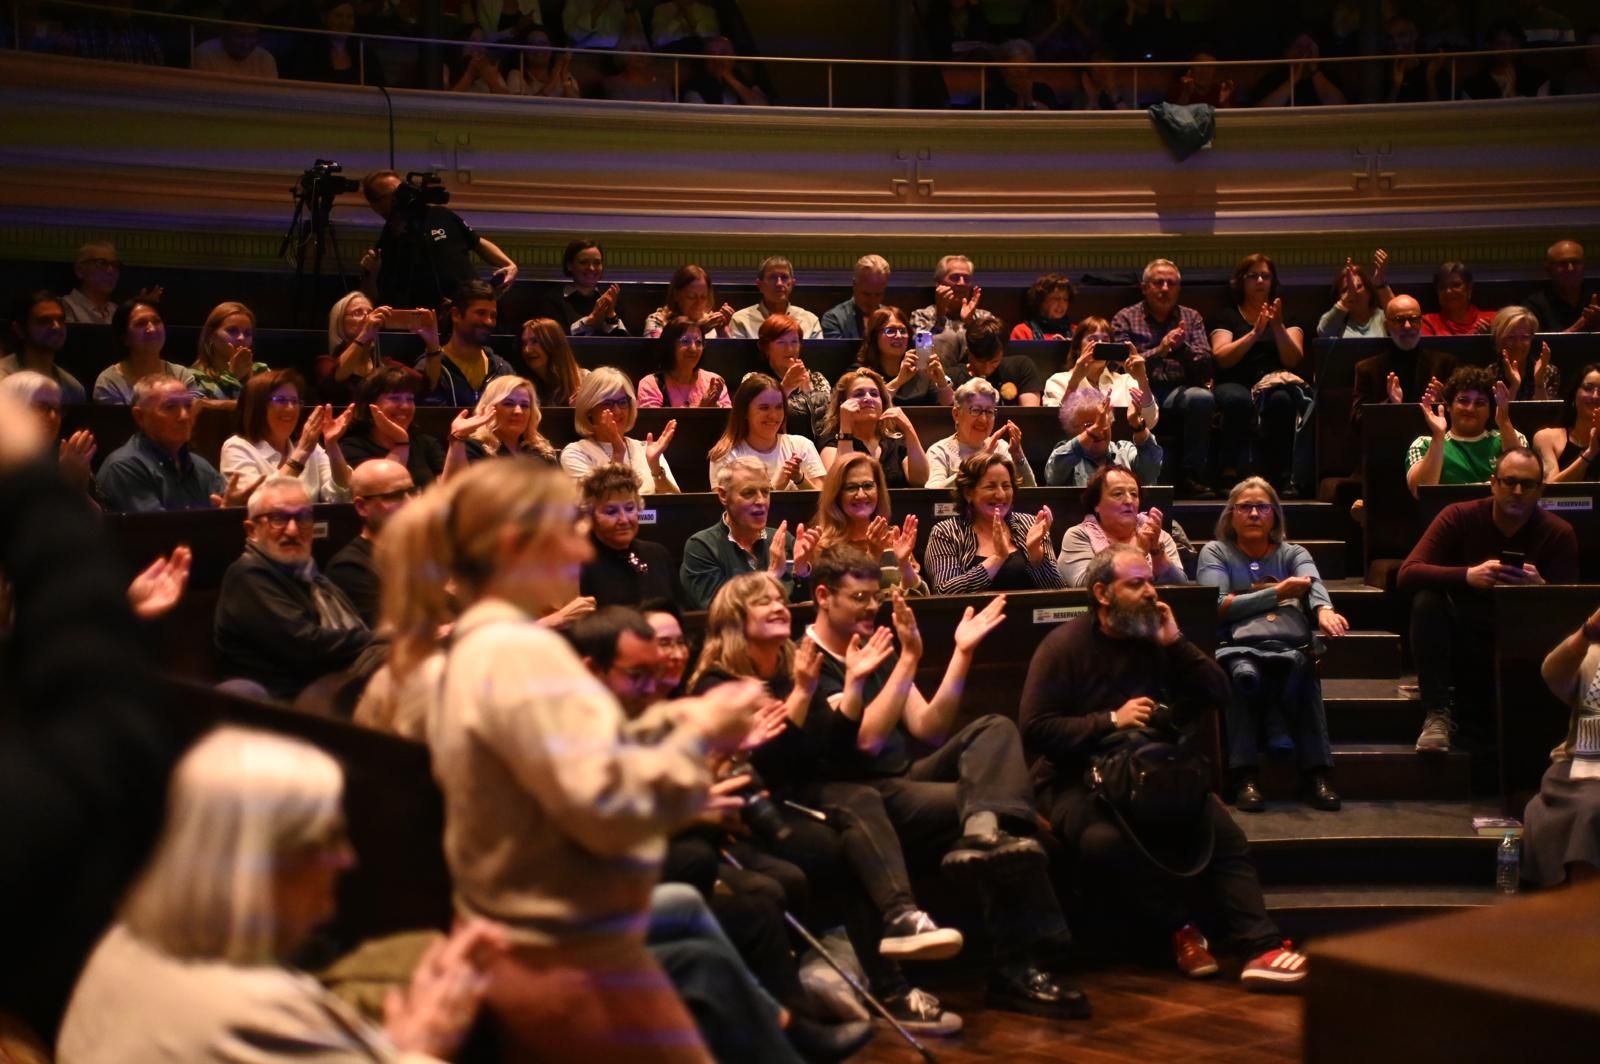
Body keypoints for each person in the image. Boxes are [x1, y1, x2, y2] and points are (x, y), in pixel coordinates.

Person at [377, 457, 768, 1061]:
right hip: (570, 961)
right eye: (568, 525)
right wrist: (699, 739)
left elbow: (551, 766)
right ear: (515, 545)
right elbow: (607, 806)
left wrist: (678, 719)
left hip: (540, 949)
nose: (583, 547)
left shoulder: (474, 649)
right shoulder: (522, 654)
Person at [56, 727, 504, 1063]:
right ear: (260, 864)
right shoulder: (255, 1011)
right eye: (325, 840)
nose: (345, 859)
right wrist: (425, 1043)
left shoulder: (120, 946)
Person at [804, 549, 1090, 1019]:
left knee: (994, 728)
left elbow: (929, 726)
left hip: (905, 781)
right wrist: (906, 661)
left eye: (875, 597)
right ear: (822, 596)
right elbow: (868, 740)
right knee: (1013, 819)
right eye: (858, 597)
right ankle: (1018, 968)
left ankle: (984, 828)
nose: (870, 607)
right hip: (864, 796)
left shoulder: (874, 645)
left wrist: (960, 653)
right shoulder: (809, 658)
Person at [1019, 544, 1311, 991]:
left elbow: (1218, 693)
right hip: (1075, 775)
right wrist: (1109, 720)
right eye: (1136, 583)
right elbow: (1035, 729)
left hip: (1151, 766)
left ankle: (1260, 946)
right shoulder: (1064, 646)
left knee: (1221, 830)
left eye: (1151, 580)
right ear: (1102, 592)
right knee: (1104, 843)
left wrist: (1177, 643)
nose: (1150, 592)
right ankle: (1180, 930)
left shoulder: (1156, 640)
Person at [686, 573, 965, 1035]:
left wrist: (853, 687)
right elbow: (767, 770)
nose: (778, 605)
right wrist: (799, 694)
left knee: (857, 804)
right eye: (762, 602)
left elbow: (831, 754)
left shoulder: (795, 665)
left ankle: (898, 933)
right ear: (735, 619)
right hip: (750, 811)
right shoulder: (718, 683)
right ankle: (891, 973)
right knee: (842, 838)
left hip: (807, 796)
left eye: (779, 598)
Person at [1398, 447, 1580, 753]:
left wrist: (1542, 588)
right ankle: (1438, 712)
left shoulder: (1558, 533)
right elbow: (1407, 573)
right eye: (1509, 481)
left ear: (1540, 490)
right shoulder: (1458, 516)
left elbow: (1573, 612)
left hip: (1527, 637)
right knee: (1427, 601)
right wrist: (1467, 575)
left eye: (1528, 484)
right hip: (1464, 631)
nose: (1518, 491)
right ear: (1493, 483)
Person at [1197, 479, 1347, 812]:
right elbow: (1216, 605)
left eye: (1262, 507)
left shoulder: (1292, 553)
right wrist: (1278, 594)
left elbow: (1310, 584)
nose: (1253, 514)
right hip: (1235, 646)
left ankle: (1317, 774)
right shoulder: (1215, 551)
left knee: (1303, 668)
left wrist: (1324, 609)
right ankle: (1245, 776)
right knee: (1242, 673)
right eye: (1245, 507)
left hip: (1287, 646)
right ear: (1230, 515)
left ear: (1275, 516)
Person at [214, 476, 379, 702]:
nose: (292, 530)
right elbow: (306, 645)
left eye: (303, 518)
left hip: (325, 687)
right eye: (278, 518)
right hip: (282, 704)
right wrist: (384, 640)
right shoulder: (247, 575)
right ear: (251, 530)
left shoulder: (310, 575)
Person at [1112, 259, 1215, 497]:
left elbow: (1206, 363)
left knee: (1201, 398)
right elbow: (1118, 365)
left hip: (1180, 390)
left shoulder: (1191, 318)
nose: (1165, 288)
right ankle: (1127, 476)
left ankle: (1191, 477)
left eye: (1172, 283)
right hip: (1136, 389)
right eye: (1158, 282)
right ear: (1144, 287)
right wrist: (1160, 350)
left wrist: (1180, 349)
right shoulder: (1125, 318)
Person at [1208, 254, 1306, 494]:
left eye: (1265, 276)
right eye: (1253, 276)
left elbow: (1293, 359)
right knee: (1237, 400)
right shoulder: (1227, 316)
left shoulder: (1287, 317)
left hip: (1273, 383)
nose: (1260, 280)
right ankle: (1228, 472)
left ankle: (1281, 475)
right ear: (1241, 281)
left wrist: (1277, 327)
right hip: (1233, 380)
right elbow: (1221, 357)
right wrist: (1255, 333)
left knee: (1282, 401)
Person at [1520, 603, 1600, 887]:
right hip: (1580, 770)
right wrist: (1589, 631)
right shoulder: (1594, 655)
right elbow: (1553, 673)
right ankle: (1581, 919)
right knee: (1593, 810)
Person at [360, 168, 516, 312]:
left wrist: (508, 264)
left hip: (469, 309)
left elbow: (476, 241)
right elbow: (374, 298)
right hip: (427, 321)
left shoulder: (440, 214)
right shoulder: (385, 246)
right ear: (376, 205)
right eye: (393, 194)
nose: (402, 196)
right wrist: (371, 274)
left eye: (401, 189)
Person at [680, 457, 820, 610]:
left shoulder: (783, 540)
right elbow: (718, 610)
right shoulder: (701, 546)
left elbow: (804, 605)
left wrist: (802, 572)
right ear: (723, 495)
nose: (761, 501)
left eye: (766, 492)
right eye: (748, 493)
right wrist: (771, 576)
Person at [926, 451, 1060, 593]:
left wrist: (1035, 554)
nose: (1001, 494)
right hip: (973, 614)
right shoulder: (945, 532)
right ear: (968, 493)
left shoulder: (1030, 524)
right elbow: (945, 592)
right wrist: (998, 558)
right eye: (990, 487)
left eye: (1006, 486)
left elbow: (1059, 592)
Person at [94, 376, 230, 513]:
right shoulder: (123, 467)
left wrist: (233, 510)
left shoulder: (201, 467)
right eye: (170, 407)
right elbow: (159, 531)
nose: (184, 416)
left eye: (188, 406)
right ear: (140, 417)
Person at [220, 369, 353, 504]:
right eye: (281, 400)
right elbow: (260, 503)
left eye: (295, 401)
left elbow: (341, 496)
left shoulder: (310, 447)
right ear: (258, 406)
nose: (290, 408)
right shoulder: (237, 447)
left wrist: (332, 445)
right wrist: (301, 453)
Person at [812, 453, 927, 594]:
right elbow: (843, 602)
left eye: (867, 486)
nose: (861, 495)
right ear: (836, 494)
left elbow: (922, 598)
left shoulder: (893, 538)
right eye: (851, 487)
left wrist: (904, 563)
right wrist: (872, 556)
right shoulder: (823, 546)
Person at [558, 367, 681, 494]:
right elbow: (597, 503)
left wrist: (655, 467)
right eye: (607, 403)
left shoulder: (647, 449)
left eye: (622, 402)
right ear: (589, 409)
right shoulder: (576, 453)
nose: (617, 411)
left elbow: (676, 505)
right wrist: (618, 453)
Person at [1406, 366, 1524, 497]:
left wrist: (1504, 421)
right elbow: (1420, 493)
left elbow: (1523, 480)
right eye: (1463, 401)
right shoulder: (1424, 444)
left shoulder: (1511, 437)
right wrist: (1438, 436)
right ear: (1449, 406)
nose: (1470, 408)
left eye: (1480, 403)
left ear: (1490, 411)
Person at [1058, 465, 1186, 587]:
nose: (1129, 501)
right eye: (1118, 494)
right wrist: (1136, 552)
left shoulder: (1156, 535)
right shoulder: (1079, 535)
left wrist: (1156, 552)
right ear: (1096, 504)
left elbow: (1180, 585)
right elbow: (1084, 583)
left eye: (1134, 494)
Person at [326, 458, 414, 628]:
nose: (410, 503)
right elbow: (391, 634)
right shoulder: (349, 568)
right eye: (395, 496)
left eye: (412, 491)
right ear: (362, 507)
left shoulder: (423, 552)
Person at [579, 465, 679, 608]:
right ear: (590, 515)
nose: (624, 520)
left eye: (629, 508)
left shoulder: (658, 555)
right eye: (611, 511)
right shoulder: (579, 564)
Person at [1350, 293, 1457, 423]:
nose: (1407, 326)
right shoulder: (1367, 369)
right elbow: (1357, 421)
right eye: (1399, 320)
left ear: (1421, 322)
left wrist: (1441, 402)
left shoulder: (1445, 364)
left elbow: (1460, 419)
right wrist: (1390, 404)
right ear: (1387, 325)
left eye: (1413, 319)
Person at [708, 373, 825, 490]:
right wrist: (774, 488)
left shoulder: (802, 446)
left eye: (779, 407)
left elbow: (822, 501)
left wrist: (800, 479)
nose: (773, 415)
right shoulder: (725, 455)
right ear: (744, 412)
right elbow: (723, 506)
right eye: (764, 408)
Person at [817, 367, 930, 488]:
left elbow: (920, 480)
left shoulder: (896, 443)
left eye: (874, 394)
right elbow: (841, 483)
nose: (868, 398)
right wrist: (845, 426)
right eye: (859, 394)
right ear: (843, 404)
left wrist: (908, 429)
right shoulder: (832, 442)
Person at [339, 367, 447, 489]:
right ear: (371, 404)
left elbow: (447, 491)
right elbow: (381, 490)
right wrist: (401, 443)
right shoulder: (352, 447)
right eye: (395, 398)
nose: (405, 406)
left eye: (410, 399)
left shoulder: (427, 443)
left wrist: (457, 441)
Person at [313, 291, 428, 404]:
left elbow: (426, 385)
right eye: (358, 312)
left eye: (370, 312)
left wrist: (432, 344)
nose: (368, 318)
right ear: (339, 322)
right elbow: (336, 377)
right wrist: (365, 332)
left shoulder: (384, 364)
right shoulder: (326, 363)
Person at [1041, 317, 1159, 426]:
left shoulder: (1126, 381)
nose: (1100, 344)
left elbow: (1150, 422)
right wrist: (1075, 381)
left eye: (1105, 340)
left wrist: (1142, 379)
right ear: (1077, 347)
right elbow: (1055, 426)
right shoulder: (1058, 381)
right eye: (1093, 339)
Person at [418, 280, 516, 407]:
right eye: (481, 313)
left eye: (493, 315)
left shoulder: (502, 369)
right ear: (456, 315)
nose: (489, 322)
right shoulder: (429, 367)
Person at [0, 370, 96, 497]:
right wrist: (65, 480)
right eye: (41, 407)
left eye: (57, 409)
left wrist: (80, 486)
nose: (53, 416)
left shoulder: (66, 458)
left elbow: (99, 515)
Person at [927, 377, 1036, 488]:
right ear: (956, 414)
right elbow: (934, 495)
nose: (983, 419)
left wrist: (1018, 455)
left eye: (989, 411)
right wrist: (979, 461)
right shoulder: (940, 451)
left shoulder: (1001, 448)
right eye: (975, 410)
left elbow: (1030, 493)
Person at [1045, 386, 1161, 488]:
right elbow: (1054, 474)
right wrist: (1095, 429)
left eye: (1103, 423)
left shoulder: (1124, 451)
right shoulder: (1064, 454)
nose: (1099, 431)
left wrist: (1137, 425)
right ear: (1072, 431)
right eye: (1089, 425)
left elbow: (1150, 470)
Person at [91, 299, 199, 404]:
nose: (152, 329)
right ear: (124, 337)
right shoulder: (109, 382)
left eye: (156, 321)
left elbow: (194, 416)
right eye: (140, 323)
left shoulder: (181, 375)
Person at [751, 311, 832, 436]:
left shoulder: (816, 378)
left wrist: (808, 391)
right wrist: (785, 388)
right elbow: (753, 419)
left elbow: (828, 419)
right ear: (766, 347)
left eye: (794, 342)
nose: (789, 349)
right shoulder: (754, 379)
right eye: (781, 342)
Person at [857, 305, 954, 407]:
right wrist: (899, 380)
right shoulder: (862, 373)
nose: (899, 336)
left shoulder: (922, 371)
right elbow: (867, 406)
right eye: (890, 331)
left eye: (903, 331)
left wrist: (942, 383)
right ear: (874, 336)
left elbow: (950, 406)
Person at [2, 291, 86, 403]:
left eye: (61, 320)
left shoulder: (73, 389)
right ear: (19, 329)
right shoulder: (3, 378)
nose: (56, 327)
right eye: (44, 321)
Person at [461, 375, 559, 465]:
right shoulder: (473, 447)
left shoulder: (541, 451)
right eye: (508, 404)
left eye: (524, 405)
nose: (518, 411)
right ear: (490, 408)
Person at [947, 315, 1043, 407]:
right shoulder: (953, 378)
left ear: (1002, 352)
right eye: (980, 362)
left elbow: (1029, 415)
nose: (986, 369)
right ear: (969, 352)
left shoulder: (1022, 367)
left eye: (994, 362)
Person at [636, 317, 731, 408]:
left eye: (698, 343)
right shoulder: (650, 384)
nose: (693, 349)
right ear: (669, 345)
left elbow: (729, 421)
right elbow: (654, 424)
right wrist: (701, 409)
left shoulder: (714, 382)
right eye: (685, 341)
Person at [189, 301, 270, 401]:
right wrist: (233, 376)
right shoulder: (192, 377)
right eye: (232, 331)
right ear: (211, 335)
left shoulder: (261, 371)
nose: (241, 338)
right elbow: (209, 414)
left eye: (248, 333)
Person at [1533, 363, 1600, 482]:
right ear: (1574, 395)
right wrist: (1590, 453)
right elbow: (1551, 490)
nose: (1595, 396)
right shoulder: (1546, 438)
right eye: (1588, 388)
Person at [728, 256, 822, 340]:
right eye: (772, 277)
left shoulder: (810, 320)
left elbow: (819, 357)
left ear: (792, 284)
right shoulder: (741, 320)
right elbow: (735, 358)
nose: (779, 283)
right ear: (759, 285)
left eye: (784, 277)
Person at [550, 239, 629, 336]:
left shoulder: (611, 299)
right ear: (569, 266)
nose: (591, 268)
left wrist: (611, 315)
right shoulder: (554, 300)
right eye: (583, 262)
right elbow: (553, 341)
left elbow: (625, 345)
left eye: (597, 263)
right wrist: (590, 320)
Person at [60, 242, 151, 325]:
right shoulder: (64, 307)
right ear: (79, 270)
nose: (111, 271)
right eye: (101, 263)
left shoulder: (115, 310)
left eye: (115, 264)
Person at [1460, 18, 1551, 100]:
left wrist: (1513, 92)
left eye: (1513, 44)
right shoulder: (1472, 86)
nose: (1508, 50)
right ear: (1490, 46)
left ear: (1521, 45)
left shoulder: (1538, 80)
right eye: (1501, 44)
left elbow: (1542, 115)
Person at [1252, 31, 1345, 106]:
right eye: (1298, 47)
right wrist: (1294, 79)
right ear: (1286, 52)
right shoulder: (1272, 79)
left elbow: (1341, 106)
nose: (1303, 53)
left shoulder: (1328, 77)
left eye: (1308, 47)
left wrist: (1314, 70)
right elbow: (1261, 111)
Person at [1525, 239, 1599, 334]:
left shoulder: (1596, 298)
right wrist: (1580, 325)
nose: (1570, 268)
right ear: (1548, 270)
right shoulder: (1535, 306)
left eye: (1575, 262)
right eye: (1563, 264)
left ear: (1584, 265)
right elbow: (1534, 346)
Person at [191, 3, 280, 78]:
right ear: (224, 31)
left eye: (252, 36)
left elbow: (271, 97)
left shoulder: (265, 60)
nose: (246, 44)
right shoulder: (205, 55)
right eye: (240, 36)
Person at [1316, 251, 1393, 338]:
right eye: (1346, 289)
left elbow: (1398, 317)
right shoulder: (1337, 320)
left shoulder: (1382, 317)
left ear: (1369, 291)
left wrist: (1379, 282)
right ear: (1339, 297)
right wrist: (1348, 297)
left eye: (1359, 286)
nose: (1354, 292)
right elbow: (1323, 332)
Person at [645, 264, 734, 338]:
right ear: (676, 295)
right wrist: (699, 328)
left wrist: (723, 330)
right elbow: (657, 353)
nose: (698, 303)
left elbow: (729, 357)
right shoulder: (657, 320)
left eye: (703, 297)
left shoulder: (711, 322)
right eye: (691, 297)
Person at [1492, 305, 1559, 401]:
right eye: (1510, 337)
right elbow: (1498, 415)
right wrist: (1514, 386)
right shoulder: (1491, 374)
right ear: (1500, 340)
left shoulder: (1548, 371)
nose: (1518, 345)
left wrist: (1539, 381)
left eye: (1524, 338)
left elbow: (1546, 414)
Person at [517, 316, 589, 406]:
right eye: (524, 343)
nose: (527, 350)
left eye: (535, 341)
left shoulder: (587, 382)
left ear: (553, 344)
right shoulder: (524, 390)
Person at [683, 36, 770, 106]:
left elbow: (763, 108)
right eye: (710, 55)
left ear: (734, 57)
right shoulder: (694, 88)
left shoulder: (743, 78)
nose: (717, 60)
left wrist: (729, 78)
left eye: (723, 54)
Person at [820, 254, 891, 340]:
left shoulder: (892, 318)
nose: (873, 301)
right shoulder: (834, 319)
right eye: (866, 294)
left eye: (878, 294)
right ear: (854, 285)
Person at [1422, 261, 1495, 336]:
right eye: (1442, 287)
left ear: (1469, 289)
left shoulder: (1494, 319)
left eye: (1456, 285)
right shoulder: (1428, 322)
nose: (1448, 291)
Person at [1011, 273, 1074, 341]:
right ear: (1041, 301)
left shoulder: (1077, 331)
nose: (1062, 304)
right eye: (1056, 298)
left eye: (1065, 299)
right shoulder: (1022, 331)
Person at [650, 0, 718, 48]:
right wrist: (677, 20)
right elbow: (657, 42)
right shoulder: (660, 10)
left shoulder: (708, 11)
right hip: (669, 59)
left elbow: (713, 43)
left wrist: (691, 19)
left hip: (701, 59)